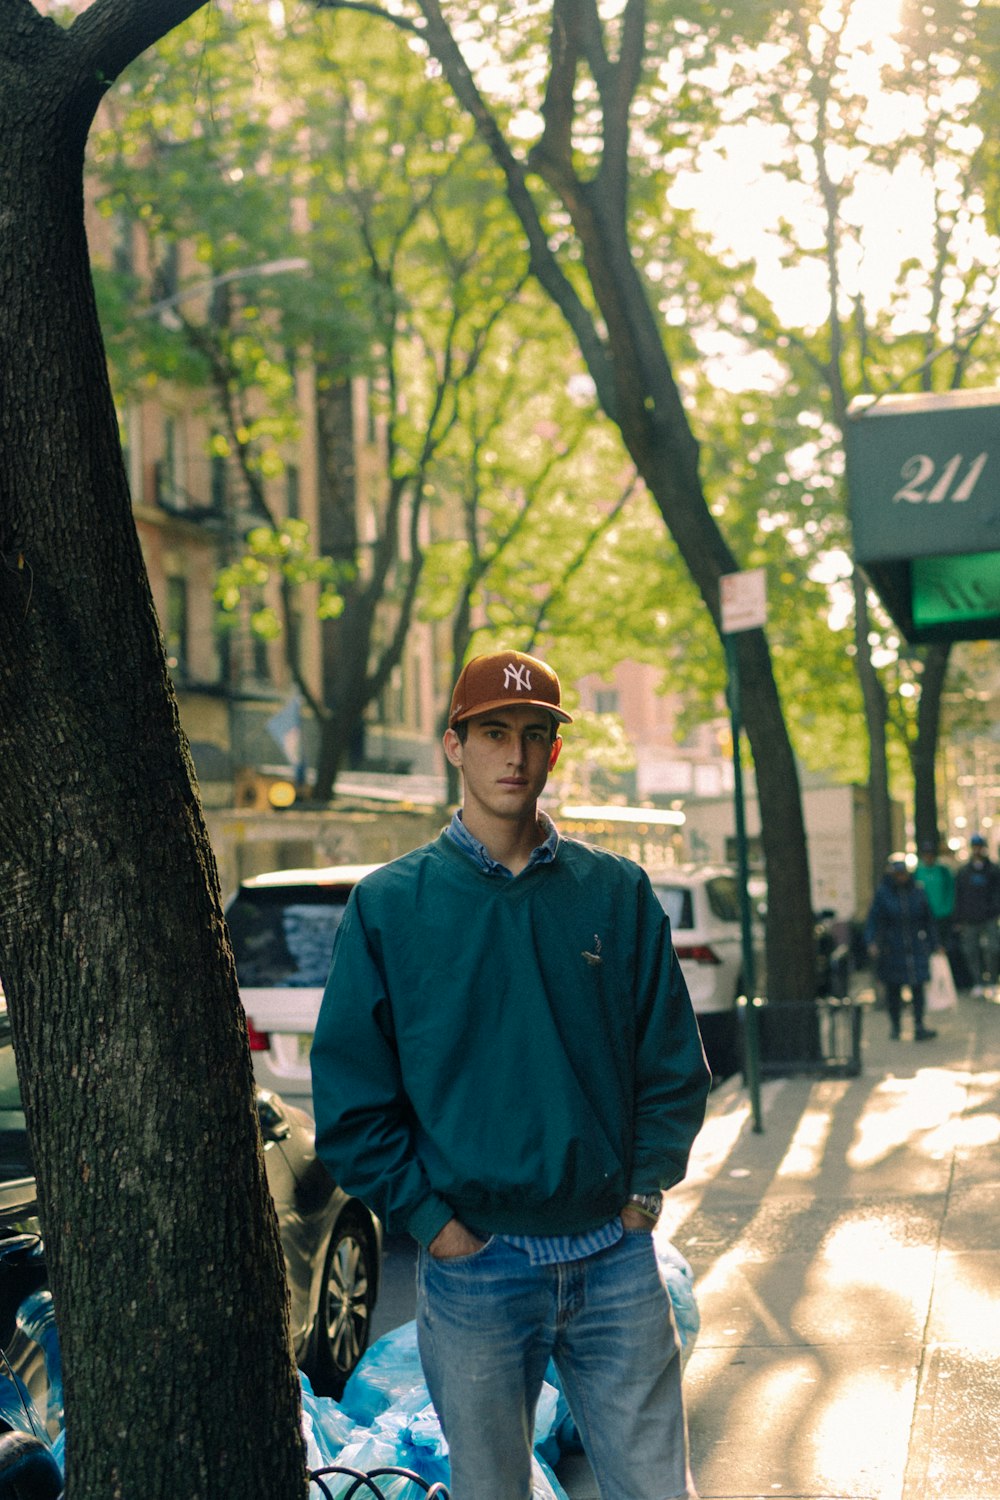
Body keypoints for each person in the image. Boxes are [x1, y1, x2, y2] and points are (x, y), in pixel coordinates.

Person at [311, 649, 711, 1500]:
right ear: (453, 745)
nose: (515, 756)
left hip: (614, 1258)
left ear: (555, 752)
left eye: (534, 736)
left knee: (656, 1490)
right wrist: (434, 1222)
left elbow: (673, 1064)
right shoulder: (392, 906)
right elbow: (352, 1102)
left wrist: (644, 1192)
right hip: (475, 1270)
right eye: (493, 733)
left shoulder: (615, 892)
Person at [864, 855, 939, 1040]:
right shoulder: (883, 894)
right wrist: (872, 941)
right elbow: (873, 919)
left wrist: (934, 943)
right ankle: (896, 1026)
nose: (901, 877)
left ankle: (919, 1024)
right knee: (893, 989)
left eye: (903, 873)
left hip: (915, 945)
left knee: (918, 987)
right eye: (897, 874)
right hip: (892, 947)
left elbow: (928, 920)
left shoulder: (918, 892)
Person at [953, 833, 1000, 992]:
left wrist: (994, 909)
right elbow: (958, 895)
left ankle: (993, 980)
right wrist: (959, 917)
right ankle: (978, 981)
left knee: (993, 948)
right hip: (969, 918)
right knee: (971, 951)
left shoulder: (993, 870)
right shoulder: (964, 872)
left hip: (989, 916)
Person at [914, 837, 956, 959]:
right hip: (925, 915)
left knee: (944, 946)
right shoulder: (918, 871)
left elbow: (950, 890)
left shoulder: (943, 871)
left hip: (942, 915)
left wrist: (948, 908)